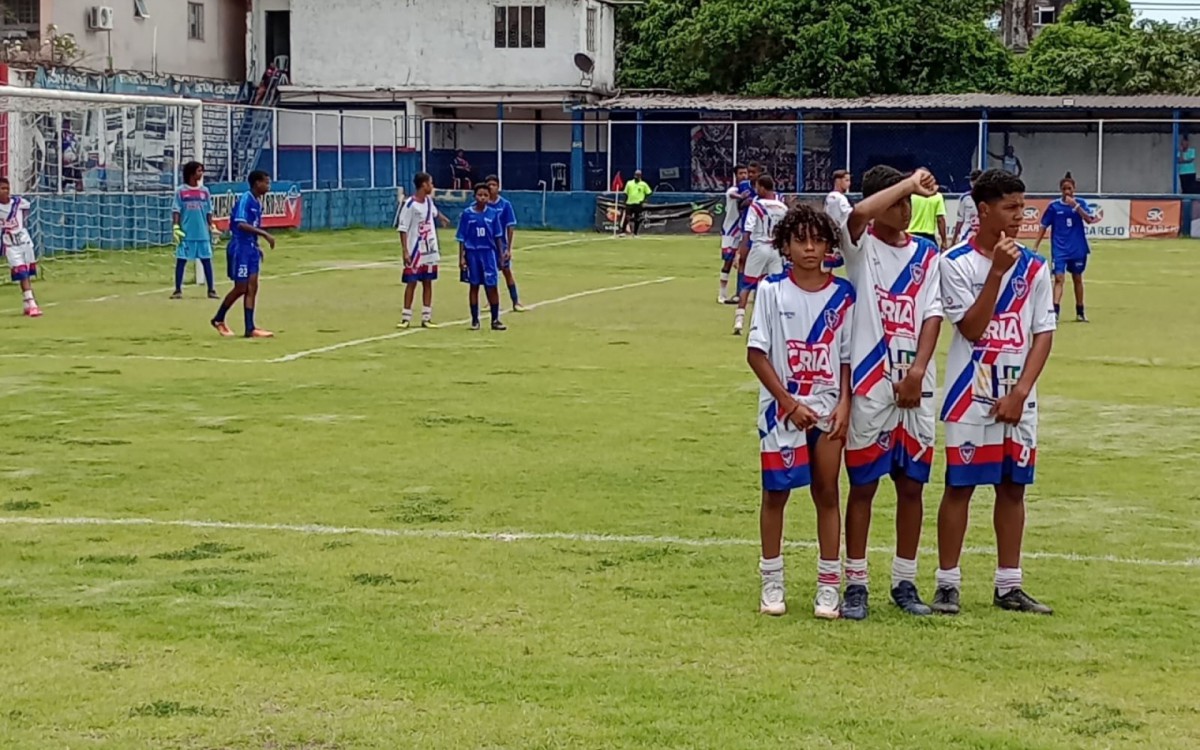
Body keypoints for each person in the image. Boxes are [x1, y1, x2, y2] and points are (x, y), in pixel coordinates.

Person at [934, 168, 1056, 616]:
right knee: (960, 487)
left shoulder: (1036, 267)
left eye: (1023, 207)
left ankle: (1010, 585)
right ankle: (948, 583)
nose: (1019, 216)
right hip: (971, 395)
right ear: (983, 210)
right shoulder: (955, 264)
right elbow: (971, 327)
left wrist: (1022, 392)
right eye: (1010, 207)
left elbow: (1043, 332)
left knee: (1012, 488)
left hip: (1018, 396)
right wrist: (997, 274)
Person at [839, 166, 944, 621]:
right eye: (899, 201)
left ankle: (904, 580)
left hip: (916, 386)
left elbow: (933, 315)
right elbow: (859, 212)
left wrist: (918, 372)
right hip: (870, 383)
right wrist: (907, 183)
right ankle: (856, 583)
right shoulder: (860, 247)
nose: (907, 209)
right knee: (863, 486)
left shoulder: (927, 254)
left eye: (910, 202)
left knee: (912, 486)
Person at [747, 203, 853, 619]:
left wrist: (845, 403)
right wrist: (788, 403)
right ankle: (772, 581)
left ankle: (829, 586)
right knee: (775, 494)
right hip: (781, 413)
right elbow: (756, 355)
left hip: (827, 412)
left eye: (818, 240)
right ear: (785, 245)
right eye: (800, 240)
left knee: (827, 492)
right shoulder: (771, 291)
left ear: (829, 245)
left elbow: (846, 358)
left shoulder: (844, 294)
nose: (810, 248)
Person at [211, 171, 276, 339]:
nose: (268, 186)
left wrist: (257, 245)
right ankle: (218, 319)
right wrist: (264, 234)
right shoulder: (246, 199)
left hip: (251, 248)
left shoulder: (257, 202)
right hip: (240, 248)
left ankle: (250, 328)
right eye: (266, 182)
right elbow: (240, 224)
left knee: (253, 286)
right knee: (241, 287)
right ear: (256, 183)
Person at [1034, 173, 1098, 322]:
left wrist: (1075, 206)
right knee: (1059, 278)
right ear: (1060, 190)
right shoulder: (1054, 207)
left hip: (1077, 248)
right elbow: (1044, 226)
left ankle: (1080, 311)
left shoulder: (1080, 203)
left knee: (1077, 278)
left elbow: (1089, 220)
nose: (1067, 191)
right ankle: (1054, 312)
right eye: (1064, 189)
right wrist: (1036, 245)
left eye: (1069, 188)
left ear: (1074, 189)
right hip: (1060, 249)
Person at [733, 174, 788, 336]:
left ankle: (739, 321)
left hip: (759, 247)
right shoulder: (782, 207)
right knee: (775, 286)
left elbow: (747, 231)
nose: (756, 190)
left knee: (747, 284)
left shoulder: (756, 206)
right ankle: (774, 323)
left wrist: (742, 253)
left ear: (763, 188)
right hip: (776, 249)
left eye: (757, 187)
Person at [397, 171, 451, 329]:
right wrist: (405, 251)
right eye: (430, 183)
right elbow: (403, 228)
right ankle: (406, 317)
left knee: (428, 282)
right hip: (415, 250)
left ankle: (426, 317)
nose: (432, 186)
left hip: (429, 249)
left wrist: (442, 218)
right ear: (424, 185)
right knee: (411, 282)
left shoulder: (428, 202)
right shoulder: (410, 205)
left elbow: (434, 212)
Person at [457, 184, 507, 331]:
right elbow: (461, 237)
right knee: (474, 285)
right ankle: (474, 320)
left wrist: (501, 255)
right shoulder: (467, 214)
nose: (483, 198)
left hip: (488, 253)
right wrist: (462, 257)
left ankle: (495, 319)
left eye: (485, 195)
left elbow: (498, 236)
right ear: (474, 196)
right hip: (473, 253)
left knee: (492, 286)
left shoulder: (493, 214)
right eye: (480, 195)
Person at [171, 161, 218, 300]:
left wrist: (212, 226)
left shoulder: (205, 192)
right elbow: (176, 210)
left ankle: (211, 290)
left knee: (206, 261)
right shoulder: (181, 191)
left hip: (202, 233)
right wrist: (176, 227)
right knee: (181, 261)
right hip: (186, 234)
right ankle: (178, 290)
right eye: (199, 171)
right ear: (191, 173)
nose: (201, 174)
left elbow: (209, 210)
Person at [0, 177, 42, 317]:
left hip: (24, 242)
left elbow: (25, 213)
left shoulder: (18, 202)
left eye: (7, 188)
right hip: (10, 245)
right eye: (2, 189)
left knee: (27, 272)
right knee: (21, 272)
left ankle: (26, 303)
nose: (5, 191)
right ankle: (32, 303)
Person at [485, 175, 526, 312]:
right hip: (486, 245)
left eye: (494, 185)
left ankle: (515, 301)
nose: (491, 187)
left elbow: (510, 226)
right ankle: (491, 301)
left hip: (500, 245)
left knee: (506, 271)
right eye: (489, 185)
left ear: (498, 187)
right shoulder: (482, 205)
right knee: (489, 274)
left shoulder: (505, 205)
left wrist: (508, 248)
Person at [718, 164, 750, 304]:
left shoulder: (750, 189)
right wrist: (741, 196)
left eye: (745, 173)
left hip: (743, 231)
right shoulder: (733, 189)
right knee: (728, 262)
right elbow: (732, 195)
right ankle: (722, 293)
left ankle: (740, 293)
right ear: (736, 176)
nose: (744, 176)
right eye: (741, 173)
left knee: (743, 261)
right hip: (730, 231)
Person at [907, 180, 947, 248]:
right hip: (928, 236)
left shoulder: (910, 196)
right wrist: (944, 241)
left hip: (911, 234)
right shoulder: (937, 196)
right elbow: (940, 220)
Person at [952, 169, 983, 244]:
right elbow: (960, 220)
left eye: (974, 180)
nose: (972, 183)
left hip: (981, 235)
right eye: (971, 180)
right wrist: (954, 239)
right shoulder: (965, 198)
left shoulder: (989, 198)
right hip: (966, 235)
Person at [623, 170, 652, 235]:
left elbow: (649, 193)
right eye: (635, 175)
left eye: (638, 175)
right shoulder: (629, 183)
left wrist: (644, 200)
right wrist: (624, 202)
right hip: (629, 203)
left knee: (637, 218)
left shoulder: (643, 184)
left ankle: (635, 233)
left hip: (638, 203)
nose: (636, 177)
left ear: (640, 176)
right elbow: (625, 193)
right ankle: (623, 232)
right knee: (627, 217)